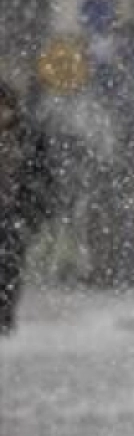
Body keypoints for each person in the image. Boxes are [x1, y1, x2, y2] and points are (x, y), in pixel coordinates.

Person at [0, 80, 57, 335]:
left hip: (14, 212)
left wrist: (32, 209)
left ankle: (4, 314)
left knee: (9, 263)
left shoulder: (30, 137)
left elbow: (44, 175)